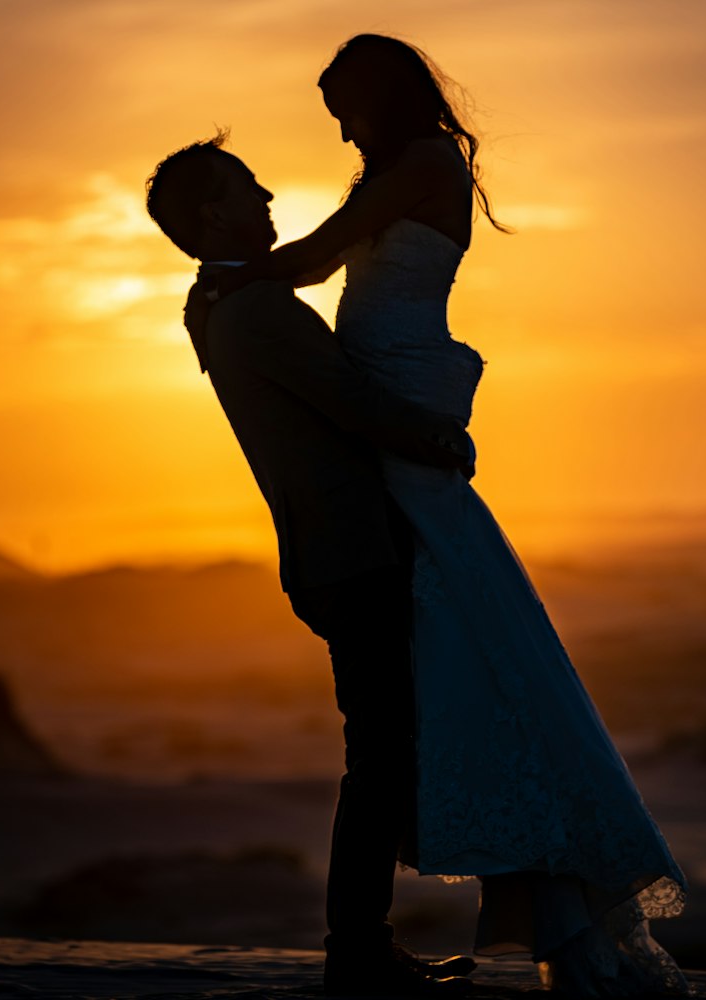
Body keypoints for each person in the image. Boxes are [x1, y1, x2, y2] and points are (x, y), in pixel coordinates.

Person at [186, 34, 691, 998]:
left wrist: (225, 280)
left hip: (402, 408)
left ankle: (395, 935)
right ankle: (431, 921)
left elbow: (320, 257)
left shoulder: (420, 166)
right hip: (385, 416)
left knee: (454, 665)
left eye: (345, 108)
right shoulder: (392, 174)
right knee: (452, 667)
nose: (339, 130)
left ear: (383, 97)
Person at [145, 136, 476, 996]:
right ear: (214, 212)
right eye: (246, 188)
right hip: (348, 551)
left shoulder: (220, 300)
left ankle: (363, 946)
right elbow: (350, 399)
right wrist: (441, 438)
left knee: (383, 747)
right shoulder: (252, 311)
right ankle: (358, 951)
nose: (265, 197)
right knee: (378, 754)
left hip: (333, 552)